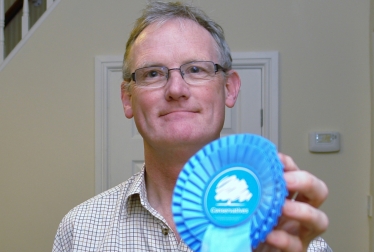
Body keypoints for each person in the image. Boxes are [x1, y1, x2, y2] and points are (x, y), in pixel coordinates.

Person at [52, 1, 331, 251]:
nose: (176, 89)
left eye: (196, 69)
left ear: (230, 88)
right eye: (152, 73)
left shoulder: (295, 242)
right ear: (128, 98)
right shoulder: (78, 231)